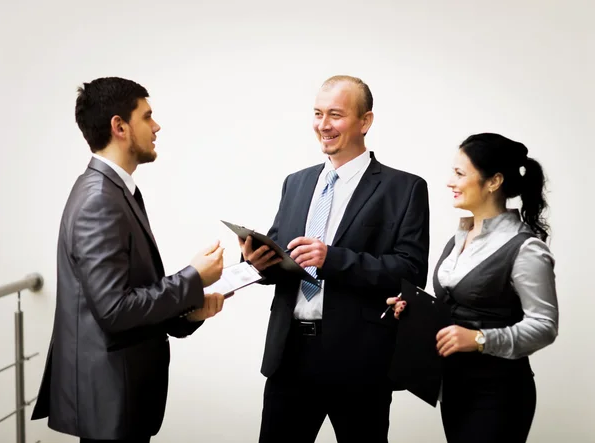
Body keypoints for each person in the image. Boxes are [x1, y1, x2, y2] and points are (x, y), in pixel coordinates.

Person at [31, 77, 226, 443]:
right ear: (119, 127)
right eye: (147, 117)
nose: (157, 127)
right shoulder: (99, 199)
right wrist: (193, 278)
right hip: (110, 400)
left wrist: (189, 313)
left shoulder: (115, 190)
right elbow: (115, 310)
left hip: (119, 398)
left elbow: (130, 296)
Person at [239, 75, 430, 443]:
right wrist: (257, 261)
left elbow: (410, 271)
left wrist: (333, 259)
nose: (323, 125)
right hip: (289, 355)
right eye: (317, 113)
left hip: (360, 360)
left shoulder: (404, 188)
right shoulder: (296, 182)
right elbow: (283, 255)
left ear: (365, 121)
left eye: (336, 115)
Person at [389, 133, 559, 443]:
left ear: (493, 181)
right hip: (452, 387)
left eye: (459, 173)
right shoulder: (458, 240)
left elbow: (545, 326)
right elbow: (453, 307)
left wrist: (480, 339)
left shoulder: (526, 249)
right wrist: (410, 309)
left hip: (499, 391)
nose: (449, 182)